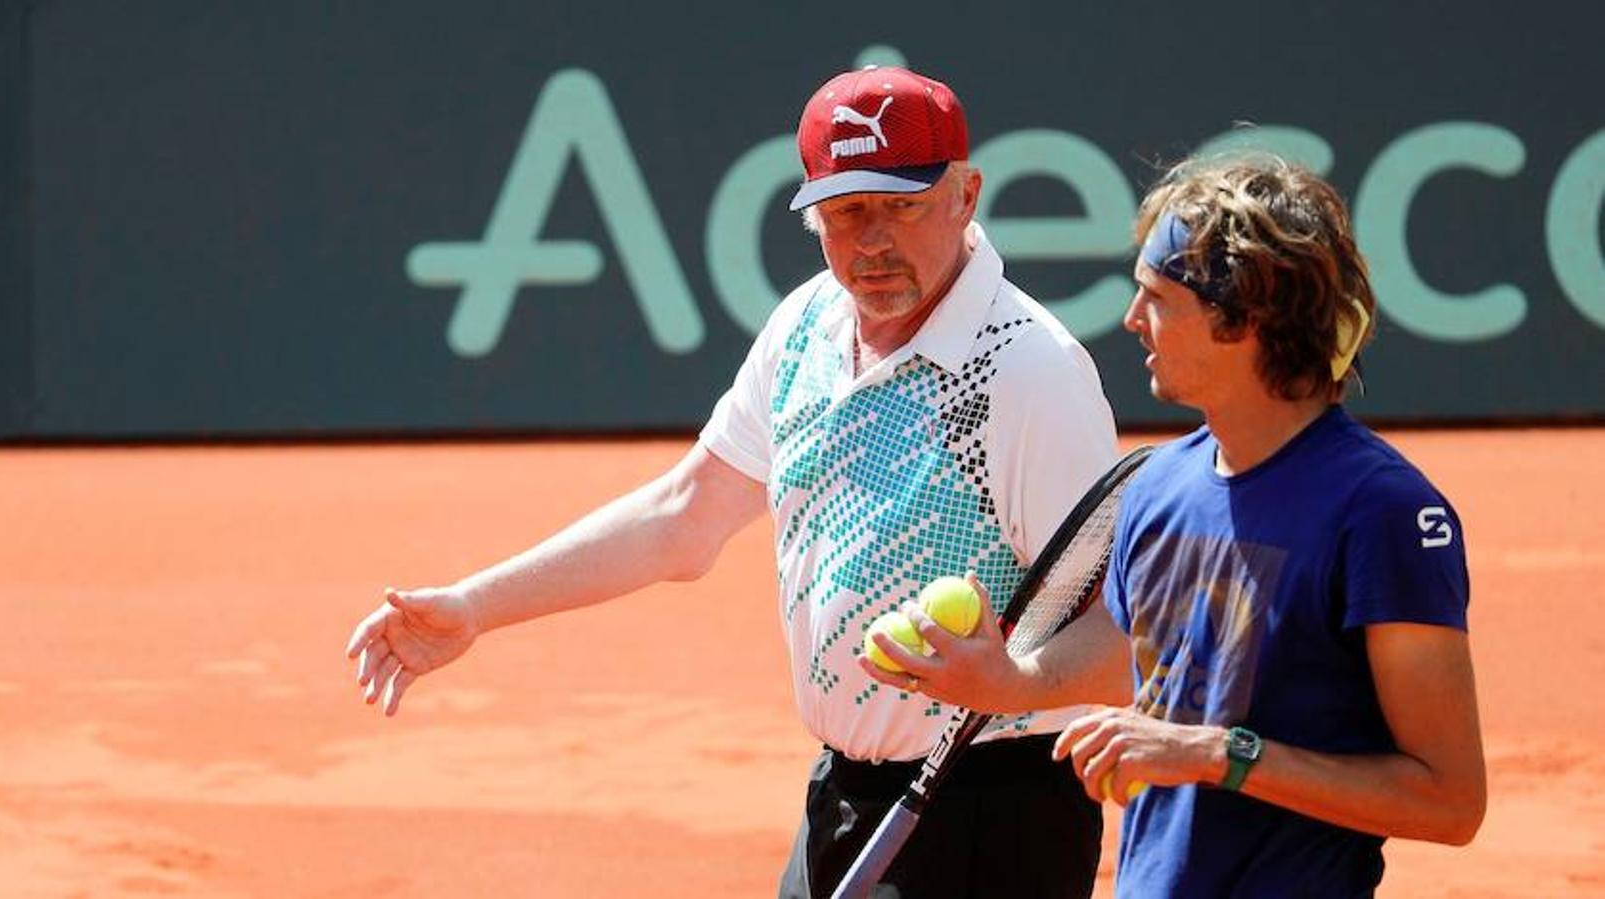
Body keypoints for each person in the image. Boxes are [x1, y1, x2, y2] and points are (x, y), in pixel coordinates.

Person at [345, 65, 1118, 899]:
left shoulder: (1028, 372)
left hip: (987, 814)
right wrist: (474, 604)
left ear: (965, 196)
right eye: (846, 211)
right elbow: (684, 514)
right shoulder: (807, 328)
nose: (873, 242)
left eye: (903, 205)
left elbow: (1131, 623)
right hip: (842, 800)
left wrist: (1015, 683)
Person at [881, 154, 1486, 896]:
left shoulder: (1383, 512)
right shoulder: (1154, 486)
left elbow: (1449, 800)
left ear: (1243, 319)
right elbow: (1142, 651)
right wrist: (1006, 681)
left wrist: (1216, 754)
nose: (1132, 318)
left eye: (1157, 297)